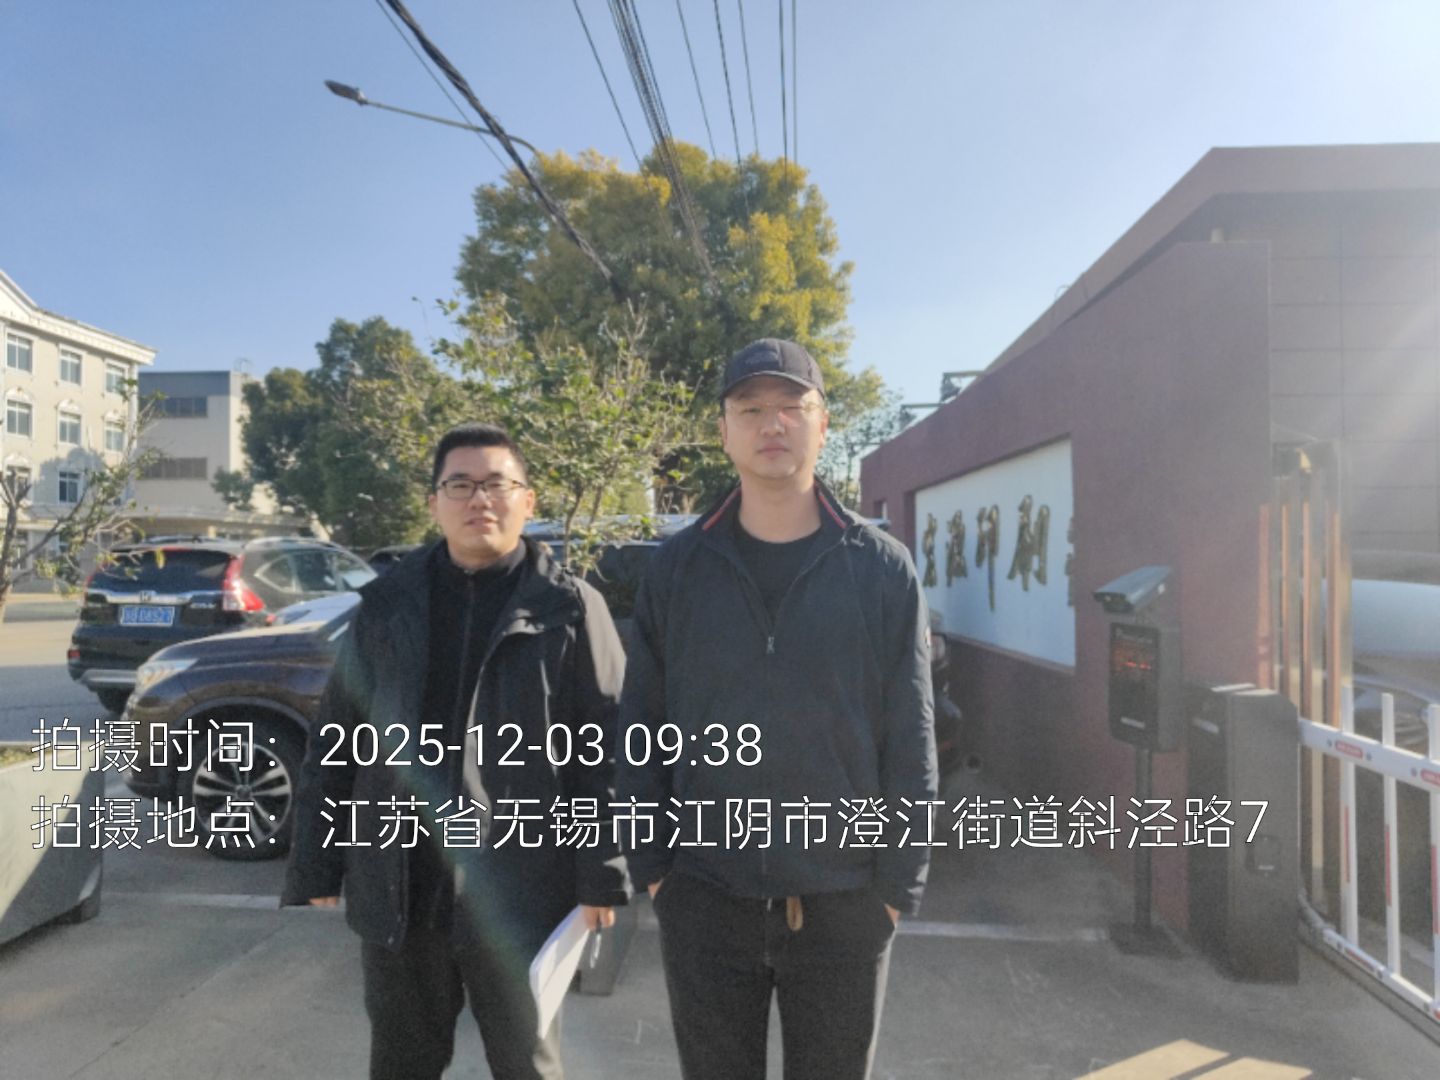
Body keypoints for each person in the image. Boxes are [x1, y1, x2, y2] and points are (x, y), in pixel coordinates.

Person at [616, 339, 938, 1080]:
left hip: (845, 901)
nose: (772, 423)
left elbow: (910, 735)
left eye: (792, 406)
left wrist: (896, 890)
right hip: (705, 896)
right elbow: (642, 728)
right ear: (724, 431)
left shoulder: (879, 568)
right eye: (750, 408)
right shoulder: (678, 569)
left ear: (823, 425)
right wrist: (657, 871)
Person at [282, 422, 628, 1080]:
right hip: (402, 889)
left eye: (497, 484)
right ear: (435, 502)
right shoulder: (386, 608)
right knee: (400, 1064)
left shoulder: (570, 609)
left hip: (520, 895)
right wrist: (316, 865)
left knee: (527, 1066)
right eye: (461, 485)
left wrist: (601, 874)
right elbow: (337, 740)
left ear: (527, 500)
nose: (480, 500)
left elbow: (606, 753)